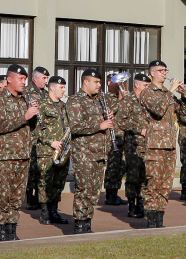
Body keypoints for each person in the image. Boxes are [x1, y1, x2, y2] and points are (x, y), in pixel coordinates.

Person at [0, 64, 38, 242]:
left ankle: (12, 229)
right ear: (9, 79)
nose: (24, 83)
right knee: (4, 195)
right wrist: (25, 116)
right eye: (21, 79)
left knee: (17, 197)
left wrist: (33, 116)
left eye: (25, 79)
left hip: (23, 155)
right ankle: (2, 231)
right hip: (6, 156)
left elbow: (30, 128)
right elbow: (1, 126)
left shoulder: (24, 99)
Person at [67, 69, 114, 234]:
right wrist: (99, 126)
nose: (99, 85)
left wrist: (108, 118)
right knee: (84, 189)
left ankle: (88, 222)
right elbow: (75, 126)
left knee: (94, 191)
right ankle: (80, 223)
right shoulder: (75, 100)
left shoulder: (99, 100)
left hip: (99, 153)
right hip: (84, 154)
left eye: (100, 82)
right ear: (85, 82)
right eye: (96, 82)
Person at [139, 60, 180, 228]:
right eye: (160, 70)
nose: (164, 73)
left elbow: (183, 113)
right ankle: (151, 218)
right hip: (155, 144)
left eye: (165, 70)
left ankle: (160, 216)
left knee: (166, 183)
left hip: (169, 144)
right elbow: (158, 109)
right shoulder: (147, 92)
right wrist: (171, 92)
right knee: (153, 183)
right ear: (152, 73)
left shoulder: (167, 93)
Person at [34, 75, 70, 225]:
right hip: (46, 151)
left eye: (64, 87)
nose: (63, 90)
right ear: (52, 88)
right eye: (61, 87)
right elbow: (35, 129)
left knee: (58, 182)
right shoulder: (41, 105)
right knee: (45, 182)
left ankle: (54, 211)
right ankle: (45, 213)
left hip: (62, 151)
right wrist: (51, 141)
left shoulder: (63, 105)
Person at [119, 73, 151, 219]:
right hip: (133, 145)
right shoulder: (128, 100)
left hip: (148, 145)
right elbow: (121, 121)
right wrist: (139, 129)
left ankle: (142, 204)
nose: (147, 88)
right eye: (145, 85)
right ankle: (132, 205)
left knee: (145, 176)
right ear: (137, 85)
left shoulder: (149, 101)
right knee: (133, 176)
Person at [25, 67, 50, 210]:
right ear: (35, 78)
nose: (46, 82)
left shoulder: (45, 94)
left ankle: (40, 197)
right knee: (32, 168)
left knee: (41, 167)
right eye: (44, 78)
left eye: (47, 79)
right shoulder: (27, 92)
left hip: (44, 135)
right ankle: (30, 197)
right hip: (32, 135)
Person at [102, 75, 127, 207]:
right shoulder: (106, 98)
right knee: (113, 167)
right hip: (112, 137)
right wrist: (122, 98)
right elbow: (113, 110)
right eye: (117, 82)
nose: (120, 85)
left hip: (123, 136)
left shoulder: (122, 96)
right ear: (109, 83)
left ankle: (115, 193)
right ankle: (110, 195)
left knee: (120, 167)